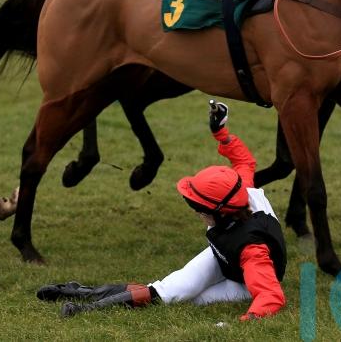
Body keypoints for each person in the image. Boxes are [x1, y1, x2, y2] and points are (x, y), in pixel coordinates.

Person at [36, 100, 287, 320]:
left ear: (222, 212)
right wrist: (220, 132)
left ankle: (85, 304)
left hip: (241, 282)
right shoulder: (241, 190)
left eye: (199, 207)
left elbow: (271, 296)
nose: (195, 211)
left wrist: (248, 320)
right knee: (165, 291)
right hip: (227, 257)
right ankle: (80, 294)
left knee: (187, 300)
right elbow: (245, 162)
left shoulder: (253, 251)